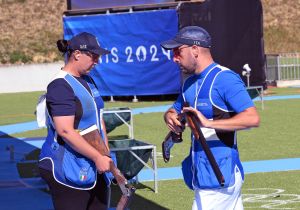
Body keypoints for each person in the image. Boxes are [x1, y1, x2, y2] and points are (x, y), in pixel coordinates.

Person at [161, 26, 260, 210]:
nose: (174, 58)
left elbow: (252, 118)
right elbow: (174, 109)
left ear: (195, 50)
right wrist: (169, 116)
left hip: (219, 176)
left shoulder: (225, 79)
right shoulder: (188, 83)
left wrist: (208, 123)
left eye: (178, 51)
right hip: (203, 174)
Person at [38, 32, 112, 210]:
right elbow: (65, 131)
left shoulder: (88, 80)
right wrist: (97, 156)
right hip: (67, 165)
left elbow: (98, 118)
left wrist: (105, 154)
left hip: (93, 163)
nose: (97, 61)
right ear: (77, 54)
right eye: (94, 56)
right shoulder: (60, 85)